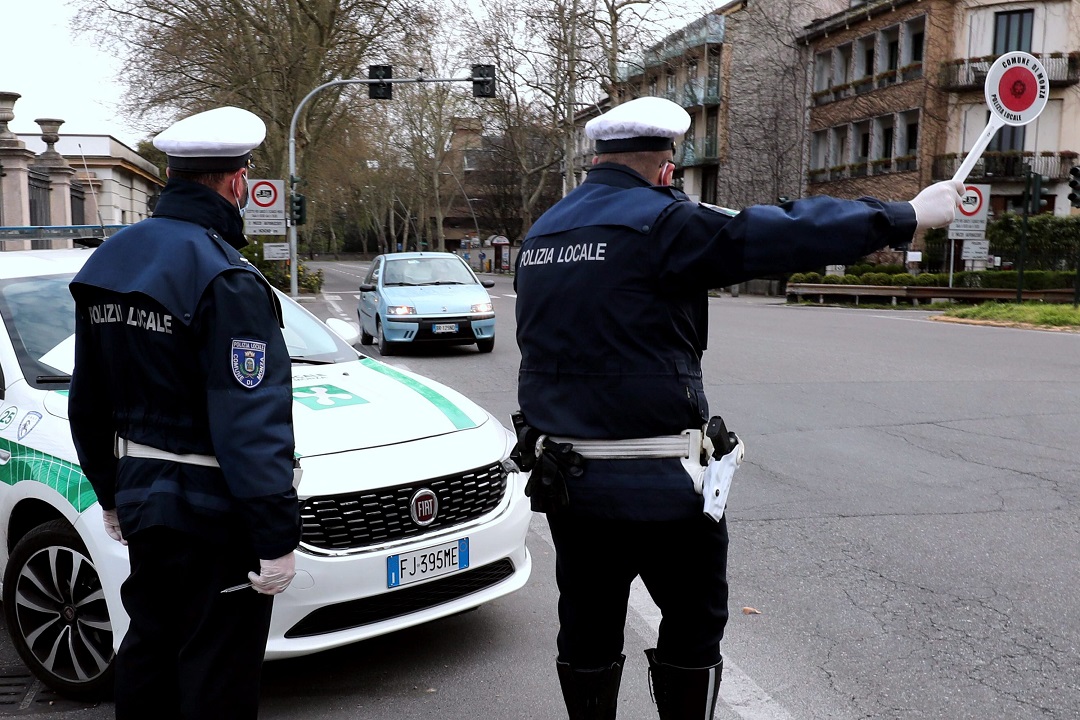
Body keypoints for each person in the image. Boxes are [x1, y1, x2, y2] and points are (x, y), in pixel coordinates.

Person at [512, 95, 963, 720]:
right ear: (667, 168)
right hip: (661, 487)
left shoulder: (543, 232)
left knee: (587, 626)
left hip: (569, 486)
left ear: (597, 159)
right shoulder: (663, 222)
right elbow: (780, 232)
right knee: (694, 622)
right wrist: (905, 215)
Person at [67, 106, 302, 720]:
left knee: (149, 652)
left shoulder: (110, 262)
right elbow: (250, 419)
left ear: (172, 175)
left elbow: (87, 399)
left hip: (145, 504)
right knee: (217, 675)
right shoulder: (225, 275)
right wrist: (276, 534)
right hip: (215, 517)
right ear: (235, 182)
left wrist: (111, 494)